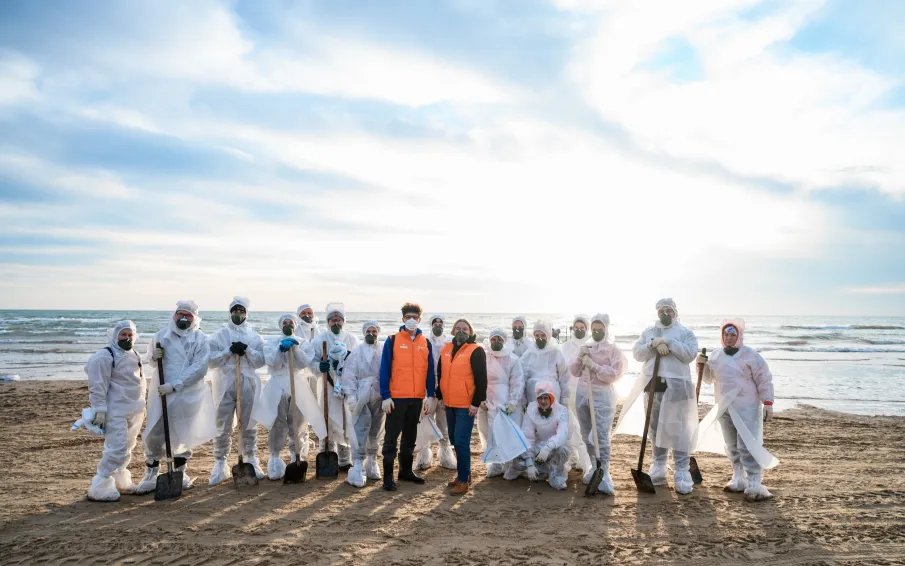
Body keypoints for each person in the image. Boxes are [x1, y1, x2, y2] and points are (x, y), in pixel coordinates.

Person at [615, 298, 699, 495]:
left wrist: (670, 342)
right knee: (654, 427)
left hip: (678, 386)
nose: (666, 314)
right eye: (662, 311)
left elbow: (690, 354)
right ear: (657, 313)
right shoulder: (649, 332)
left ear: (675, 312)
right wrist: (653, 344)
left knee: (678, 429)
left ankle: (681, 471)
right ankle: (659, 466)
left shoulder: (685, 333)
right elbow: (637, 353)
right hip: (653, 384)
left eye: (669, 310)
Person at [136, 300, 215, 494]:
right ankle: (151, 473)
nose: (183, 318)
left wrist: (176, 385)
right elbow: (152, 361)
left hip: (187, 392)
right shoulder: (162, 336)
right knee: (155, 429)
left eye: (188, 315)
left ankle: (180, 472)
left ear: (194, 318)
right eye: (180, 314)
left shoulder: (201, 338)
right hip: (161, 388)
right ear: (174, 315)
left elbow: (199, 367)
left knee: (183, 432)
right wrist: (154, 356)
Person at [696, 319, 778, 501]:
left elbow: (764, 378)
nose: (729, 337)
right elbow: (709, 379)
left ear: (739, 336)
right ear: (722, 336)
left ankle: (755, 481)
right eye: (726, 334)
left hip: (746, 406)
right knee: (731, 444)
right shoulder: (716, 355)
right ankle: (738, 477)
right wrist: (701, 365)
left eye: (733, 334)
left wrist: (768, 402)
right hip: (724, 405)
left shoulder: (751, 356)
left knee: (747, 444)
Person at [207, 297, 267, 484]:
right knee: (222, 423)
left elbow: (260, 361)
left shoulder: (254, 336)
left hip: (247, 382)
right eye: (235, 310)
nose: (238, 314)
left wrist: (247, 350)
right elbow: (210, 361)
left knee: (248, 423)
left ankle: (251, 458)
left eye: (241, 311)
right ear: (230, 312)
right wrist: (228, 351)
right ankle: (220, 462)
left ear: (246, 313)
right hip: (225, 382)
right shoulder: (219, 335)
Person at [85, 320, 146, 501]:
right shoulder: (105, 356)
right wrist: (100, 410)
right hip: (115, 410)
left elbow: (139, 382)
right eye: (123, 335)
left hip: (135, 409)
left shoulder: (134, 354)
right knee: (116, 447)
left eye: (130, 335)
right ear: (115, 335)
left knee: (128, 446)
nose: (127, 338)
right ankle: (100, 484)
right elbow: (97, 386)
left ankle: (121, 481)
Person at [254, 314, 320, 480]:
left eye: (291, 322)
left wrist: (295, 349)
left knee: (298, 422)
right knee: (278, 422)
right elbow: (272, 362)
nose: (288, 325)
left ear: (296, 325)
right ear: (280, 325)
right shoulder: (272, 342)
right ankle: (275, 459)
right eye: (285, 322)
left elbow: (303, 363)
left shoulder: (303, 342)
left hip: (297, 384)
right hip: (277, 385)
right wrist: (280, 349)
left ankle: (296, 455)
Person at [379, 303, 436, 491]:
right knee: (391, 438)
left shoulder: (425, 342)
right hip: (396, 398)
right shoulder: (392, 340)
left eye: (415, 317)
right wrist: (385, 396)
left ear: (420, 319)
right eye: (408, 317)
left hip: (417, 398)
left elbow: (429, 371)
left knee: (410, 437)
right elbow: (384, 370)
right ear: (403, 319)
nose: (412, 320)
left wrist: (430, 394)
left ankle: (405, 471)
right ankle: (388, 476)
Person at [571, 313, 627, 496]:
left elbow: (614, 374)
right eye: (593, 330)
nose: (596, 333)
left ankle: (603, 471)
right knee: (586, 433)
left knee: (600, 435)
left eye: (599, 330)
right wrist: (580, 358)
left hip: (602, 397)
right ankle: (594, 467)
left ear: (606, 329)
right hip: (582, 394)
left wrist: (594, 365)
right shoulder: (587, 346)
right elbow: (574, 371)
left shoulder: (613, 350)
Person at [436, 318, 487, 495]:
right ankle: (465, 474)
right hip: (449, 403)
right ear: (452, 330)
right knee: (453, 438)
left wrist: (476, 402)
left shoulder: (476, 350)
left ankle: (463, 480)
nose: (461, 331)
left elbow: (482, 379)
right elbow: (440, 373)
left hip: (466, 405)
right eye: (458, 328)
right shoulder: (446, 349)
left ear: (470, 331)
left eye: (465, 328)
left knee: (461, 441)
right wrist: (440, 396)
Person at [309, 302, 359, 471]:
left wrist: (346, 366)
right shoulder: (320, 340)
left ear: (343, 322)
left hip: (346, 387)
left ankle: (345, 460)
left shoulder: (352, 339)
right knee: (328, 419)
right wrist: (319, 367)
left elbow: (358, 362)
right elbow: (311, 361)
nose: (336, 323)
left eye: (339, 320)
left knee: (347, 421)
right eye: (333, 320)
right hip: (327, 386)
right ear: (328, 322)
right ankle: (327, 453)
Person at [342, 320, 386, 487]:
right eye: (368, 331)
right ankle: (358, 463)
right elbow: (349, 375)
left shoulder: (383, 351)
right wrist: (351, 396)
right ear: (363, 332)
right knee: (360, 428)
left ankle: (372, 460)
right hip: (361, 394)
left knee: (376, 428)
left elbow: (388, 372)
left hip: (379, 394)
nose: (371, 334)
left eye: (374, 331)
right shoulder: (356, 352)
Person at [504, 380, 570, 490]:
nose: (543, 401)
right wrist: (529, 462)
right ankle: (534, 470)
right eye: (540, 398)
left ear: (551, 397)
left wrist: (548, 448)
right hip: (537, 447)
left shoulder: (562, 411)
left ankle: (555, 476)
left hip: (553, 448)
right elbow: (527, 435)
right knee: (516, 452)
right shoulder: (531, 410)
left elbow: (563, 433)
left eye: (546, 398)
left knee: (563, 450)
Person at [477, 328, 525, 478]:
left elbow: (517, 381)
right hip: (487, 399)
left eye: (499, 339)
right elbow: (478, 379)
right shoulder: (484, 357)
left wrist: (513, 401)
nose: (496, 342)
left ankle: (510, 465)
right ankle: (496, 463)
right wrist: (480, 398)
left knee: (506, 432)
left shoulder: (512, 359)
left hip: (505, 400)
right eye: (493, 339)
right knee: (490, 432)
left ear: (504, 341)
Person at [415, 313, 456, 471]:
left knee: (443, 421)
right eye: (434, 323)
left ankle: (445, 454)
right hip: (427, 386)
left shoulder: (449, 342)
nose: (437, 326)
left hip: (445, 386)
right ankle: (424, 455)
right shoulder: (424, 342)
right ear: (431, 325)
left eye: (440, 324)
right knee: (425, 418)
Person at [560, 314, 594, 473]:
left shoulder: (591, 344)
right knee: (571, 426)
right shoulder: (566, 346)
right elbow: (562, 367)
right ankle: (572, 458)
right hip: (569, 390)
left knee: (584, 426)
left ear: (586, 329)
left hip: (585, 390)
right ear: (572, 328)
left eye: (582, 328)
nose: (579, 330)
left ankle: (586, 461)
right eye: (576, 327)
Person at [294, 303, 322, 459]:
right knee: (301, 413)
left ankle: (323, 446)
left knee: (320, 411)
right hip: (300, 377)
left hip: (317, 376)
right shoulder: (295, 331)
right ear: (298, 315)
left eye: (309, 312)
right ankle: (301, 448)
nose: (307, 315)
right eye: (303, 313)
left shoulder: (319, 331)